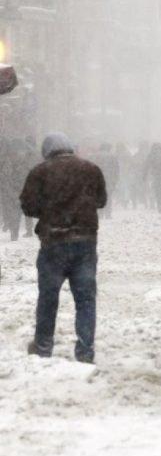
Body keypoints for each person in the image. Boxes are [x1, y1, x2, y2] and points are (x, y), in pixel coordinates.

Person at [20, 133, 107, 364]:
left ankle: (42, 347)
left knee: (48, 298)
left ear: (47, 151)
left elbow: (28, 206)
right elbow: (101, 201)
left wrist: (50, 209)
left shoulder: (39, 172)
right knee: (86, 299)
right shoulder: (91, 169)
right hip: (85, 242)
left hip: (53, 243)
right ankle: (85, 351)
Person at [0, 139, 33, 241]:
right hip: (13, 191)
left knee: (16, 213)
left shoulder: (13, 163)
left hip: (16, 191)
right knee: (14, 212)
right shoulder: (8, 163)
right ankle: (15, 231)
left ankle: (15, 232)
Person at [93, 143, 120, 219]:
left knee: (98, 195)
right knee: (108, 196)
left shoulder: (94, 156)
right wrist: (115, 179)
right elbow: (116, 169)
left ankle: (100, 213)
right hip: (109, 178)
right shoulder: (112, 157)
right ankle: (108, 213)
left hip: (97, 178)